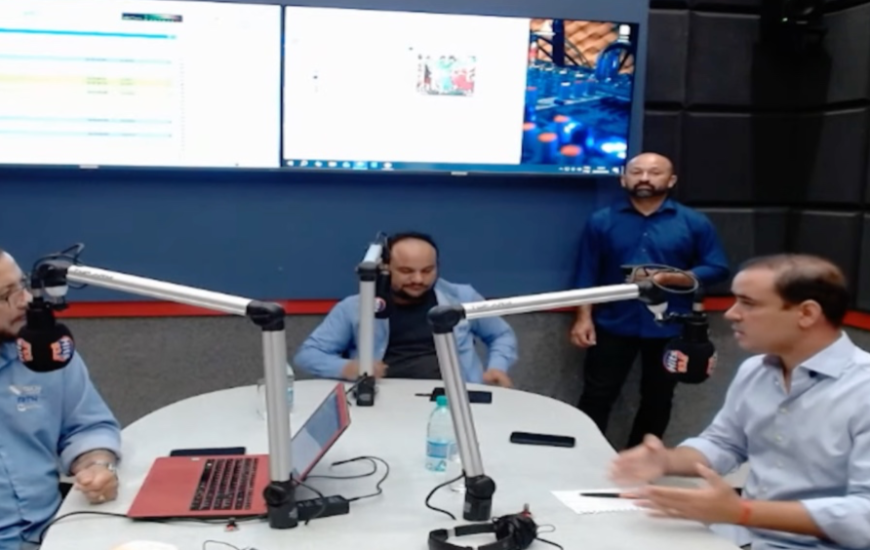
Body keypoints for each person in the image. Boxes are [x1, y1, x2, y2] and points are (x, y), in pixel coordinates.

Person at [609, 254, 870, 550]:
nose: (731, 314)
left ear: (807, 313)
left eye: (749, 303)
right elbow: (724, 443)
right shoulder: (755, 370)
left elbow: (865, 516)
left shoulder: (863, 389)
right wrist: (666, 461)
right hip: (742, 537)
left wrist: (742, 512)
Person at [571, 152, 730, 449]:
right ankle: (585, 458)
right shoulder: (601, 221)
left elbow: (718, 267)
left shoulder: (694, 222)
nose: (644, 178)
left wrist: (674, 278)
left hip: (670, 325)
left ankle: (641, 460)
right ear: (623, 179)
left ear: (671, 180)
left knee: (659, 397)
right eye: (636, 172)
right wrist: (583, 317)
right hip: (612, 322)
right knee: (597, 395)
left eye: (654, 172)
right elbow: (586, 272)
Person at [0, 249, 122, 550]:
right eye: (6, 295)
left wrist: (96, 464)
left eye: (22, 285)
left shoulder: (44, 351)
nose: (25, 300)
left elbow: (86, 425)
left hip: (52, 530)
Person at [294, 232, 517, 386]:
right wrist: (348, 368)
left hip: (454, 398)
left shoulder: (462, 297)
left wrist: (497, 367)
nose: (418, 279)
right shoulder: (354, 307)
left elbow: (500, 334)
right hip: (383, 401)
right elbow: (309, 354)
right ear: (385, 268)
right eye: (406, 271)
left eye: (427, 270)